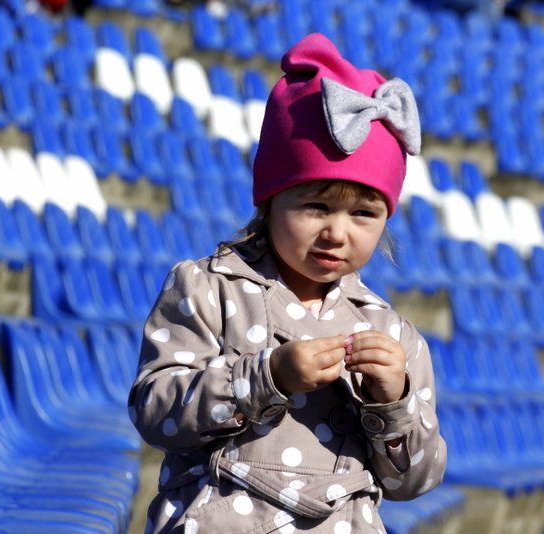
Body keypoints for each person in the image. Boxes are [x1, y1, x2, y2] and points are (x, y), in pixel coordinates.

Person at [128, 33, 447, 533]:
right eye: (316, 206)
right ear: (269, 201)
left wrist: (394, 400)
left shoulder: (392, 334)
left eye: (365, 213)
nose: (336, 233)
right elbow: (155, 411)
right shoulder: (208, 289)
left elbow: (414, 480)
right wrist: (265, 377)